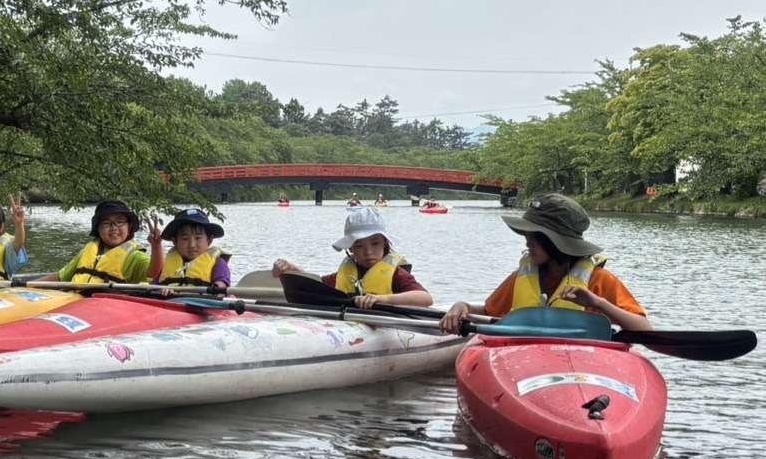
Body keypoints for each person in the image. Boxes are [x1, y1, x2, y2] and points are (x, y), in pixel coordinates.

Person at [439, 193, 653, 334]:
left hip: (582, 364)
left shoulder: (599, 280)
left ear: (557, 241)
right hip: (530, 360)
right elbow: (488, 310)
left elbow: (644, 329)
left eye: (536, 236)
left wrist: (597, 303)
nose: (527, 242)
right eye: (527, 235)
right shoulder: (523, 276)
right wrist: (464, 306)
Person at [272, 206, 432, 309]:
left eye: (375, 243)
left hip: (387, 326)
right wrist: (293, 269)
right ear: (350, 248)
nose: (368, 252)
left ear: (384, 243)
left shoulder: (397, 275)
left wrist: (382, 299)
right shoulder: (346, 274)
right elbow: (317, 285)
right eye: (359, 246)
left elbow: (425, 298)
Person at [36, 200, 163, 284]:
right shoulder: (88, 252)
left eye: (119, 222)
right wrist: (27, 286)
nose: (114, 228)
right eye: (107, 223)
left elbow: (154, 273)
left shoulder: (135, 256)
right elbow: (60, 277)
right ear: (98, 229)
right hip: (77, 303)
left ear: (129, 228)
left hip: (109, 309)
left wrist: (156, 246)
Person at [153, 208, 232, 293]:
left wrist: (215, 287)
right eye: (185, 238)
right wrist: (162, 290)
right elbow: (154, 286)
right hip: (170, 302)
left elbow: (222, 283)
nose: (192, 245)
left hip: (201, 302)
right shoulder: (166, 264)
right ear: (175, 242)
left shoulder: (218, 263)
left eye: (198, 238)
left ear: (209, 240)